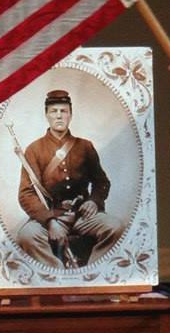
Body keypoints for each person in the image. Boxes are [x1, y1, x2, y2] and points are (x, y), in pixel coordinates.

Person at [16, 90, 123, 267]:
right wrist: (49, 221)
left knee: (114, 227)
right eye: (54, 111)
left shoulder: (85, 146)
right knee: (27, 236)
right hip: (51, 214)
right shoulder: (34, 149)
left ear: (70, 115)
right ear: (47, 115)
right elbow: (26, 194)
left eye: (63, 111)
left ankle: (91, 273)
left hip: (82, 215)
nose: (59, 115)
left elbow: (101, 182)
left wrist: (95, 202)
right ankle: (57, 277)